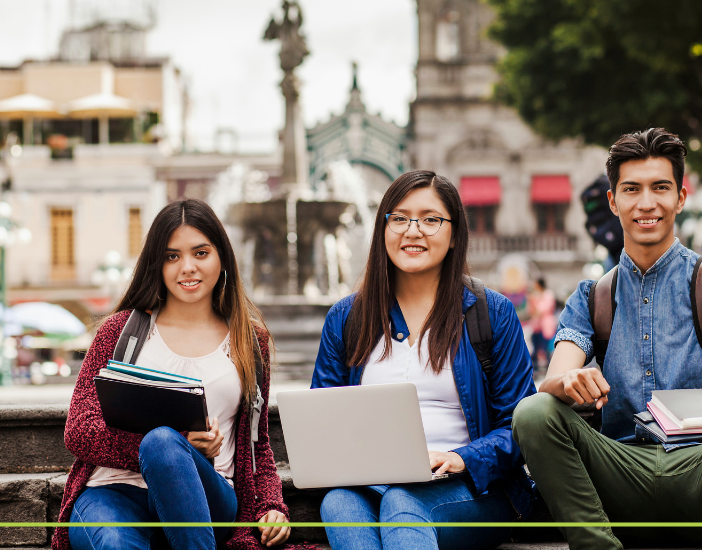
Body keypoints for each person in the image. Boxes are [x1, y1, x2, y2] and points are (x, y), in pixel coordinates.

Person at [512, 128, 702, 550]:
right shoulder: (590, 296)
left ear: (681, 198)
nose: (646, 203)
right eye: (632, 189)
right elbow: (555, 377)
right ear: (614, 201)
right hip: (619, 472)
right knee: (533, 411)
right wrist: (568, 383)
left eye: (660, 188)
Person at [312, 170, 536, 550]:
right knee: (339, 502)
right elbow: (321, 421)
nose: (412, 230)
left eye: (431, 219)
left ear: (453, 236)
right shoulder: (347, 318)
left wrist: (461, 458)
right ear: (382, 229)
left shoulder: (491, 313)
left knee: (403, 503)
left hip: (471, 489)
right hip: (370, 484)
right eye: (399, 218)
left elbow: (520, 427)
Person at [53, 199, 293, 550]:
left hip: (207, 493)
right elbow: (79, 431)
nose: (187, 268)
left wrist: (272, 505)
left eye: (200, 253)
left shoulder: (249, 340)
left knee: (163, 443)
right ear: (157, 264)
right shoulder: (121, 332)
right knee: (160, 447)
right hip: (113, 494)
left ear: (222, 257)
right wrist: (179, 443)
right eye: (172, 256)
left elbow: (258, 442)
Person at [527, 277, 557, 375]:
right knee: (536, 346)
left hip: (546, 325)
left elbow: (543, 309)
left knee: (547, 347)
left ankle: (550, 369)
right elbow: (531, 311)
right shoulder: (535, 295)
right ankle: (535, 368)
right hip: (536, 326)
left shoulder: (547, 294)